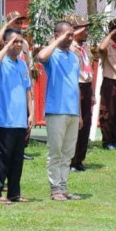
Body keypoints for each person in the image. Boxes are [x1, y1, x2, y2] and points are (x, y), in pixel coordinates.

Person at [36, 21, 82, 201]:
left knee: (68, 153)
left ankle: (63, 188)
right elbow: (41, 56)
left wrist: (78, 112)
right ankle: (55, 188)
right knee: (56, 152)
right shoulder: (52, 54)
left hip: (72, 111)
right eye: (66, 35)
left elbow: (75, 86)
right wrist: (57, 41)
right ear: (56, 35)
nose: (70, 38)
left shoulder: (73, 57)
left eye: (72, 35)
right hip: (57, 110)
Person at [0, 29, 33, 204]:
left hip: (20, 120)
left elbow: (27, 90)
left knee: (17, 159)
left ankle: (14, 193)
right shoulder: (1, 63)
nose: (19, 45)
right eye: (15, 41)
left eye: (20, 41)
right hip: (4, 121)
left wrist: (31, 114)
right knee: (1, 158)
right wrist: (6, 45)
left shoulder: (22, 65)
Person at [68, 15, 94, 172]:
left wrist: (92, 94)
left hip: (86, 86)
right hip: (75, 86)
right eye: (83, 29)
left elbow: (90, 70)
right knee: (76, 123)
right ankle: (72, 159)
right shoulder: (69, 49)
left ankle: (80, 159)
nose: (86, 32)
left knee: (86, 123)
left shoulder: (85, 49)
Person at [98, 18, 116, 150]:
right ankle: (107, 140)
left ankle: (115, 139)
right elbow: (101, 48)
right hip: (110, 82)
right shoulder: (107, 45)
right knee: (108, 112)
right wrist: (109, 35)